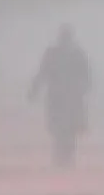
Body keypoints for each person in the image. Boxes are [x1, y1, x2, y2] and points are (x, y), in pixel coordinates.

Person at [29, 25, 93, 167]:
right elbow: (43, 72)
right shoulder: (74, 54)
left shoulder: (64, 54)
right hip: (65, 97)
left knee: (66, 129)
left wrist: (34, 90)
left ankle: (64, 156)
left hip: (65, 97)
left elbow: (86, 75)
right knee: (62, 128)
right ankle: (63, 155)